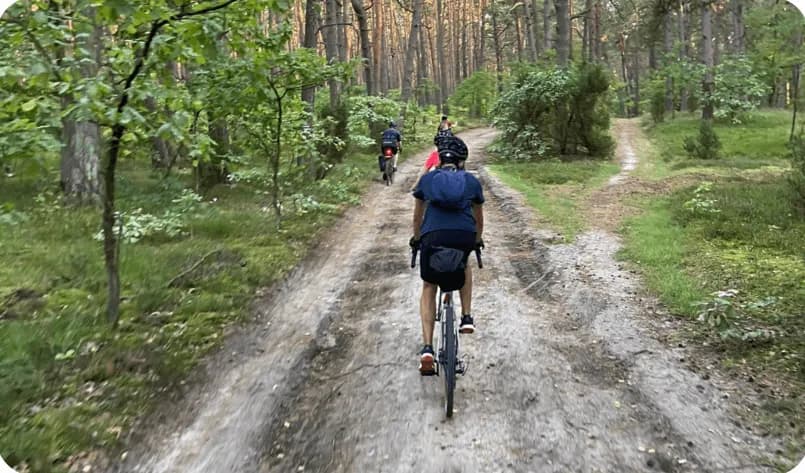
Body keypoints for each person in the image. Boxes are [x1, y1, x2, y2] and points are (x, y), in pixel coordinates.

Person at [410, 136, 485, 375]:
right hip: (463, 234)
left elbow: (417, 216)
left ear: (440, 160)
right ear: (462, 162)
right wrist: (476, 239)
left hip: (433, 235)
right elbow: (479, 217)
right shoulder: (471, 181)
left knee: (429, 284)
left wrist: (416, 237)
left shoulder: (428, 180)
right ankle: (466, 317)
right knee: (465, 265)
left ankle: (427, 348)